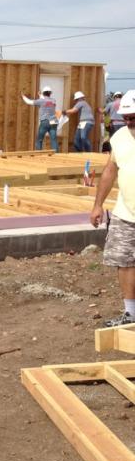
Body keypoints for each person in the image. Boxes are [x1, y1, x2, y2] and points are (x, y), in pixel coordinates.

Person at [90, 89, 135, 327]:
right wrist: (98, 204)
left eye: (133, 118)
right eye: (126, 118)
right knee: (125, 260)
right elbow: (110, 171)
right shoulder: (119, 137)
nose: (128, 122)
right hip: (126, 212)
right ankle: (131, 313)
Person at [24, 86, 59, 152]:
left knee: (40, 139)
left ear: (43, 93)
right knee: (53, 139)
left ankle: (38, 153)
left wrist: (23, 96)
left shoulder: (41, 101)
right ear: (50, 93)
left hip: (45, 121)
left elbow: (29, 102)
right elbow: (46, 101)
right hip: (54, 121)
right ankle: (56, 153)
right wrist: (40, 95)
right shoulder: (53, 101)